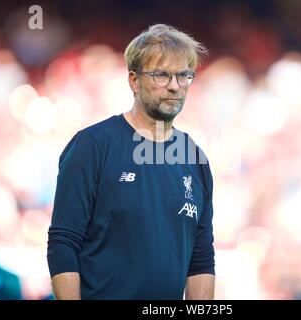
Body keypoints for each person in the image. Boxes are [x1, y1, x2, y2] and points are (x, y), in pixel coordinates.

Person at [47, 24, 215, 300]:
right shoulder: (93, 145)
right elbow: (63, 242)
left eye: (183, 75)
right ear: (134, 81)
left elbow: (201, 259)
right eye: (161, 75)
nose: (174, 86)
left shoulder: (195, 158)